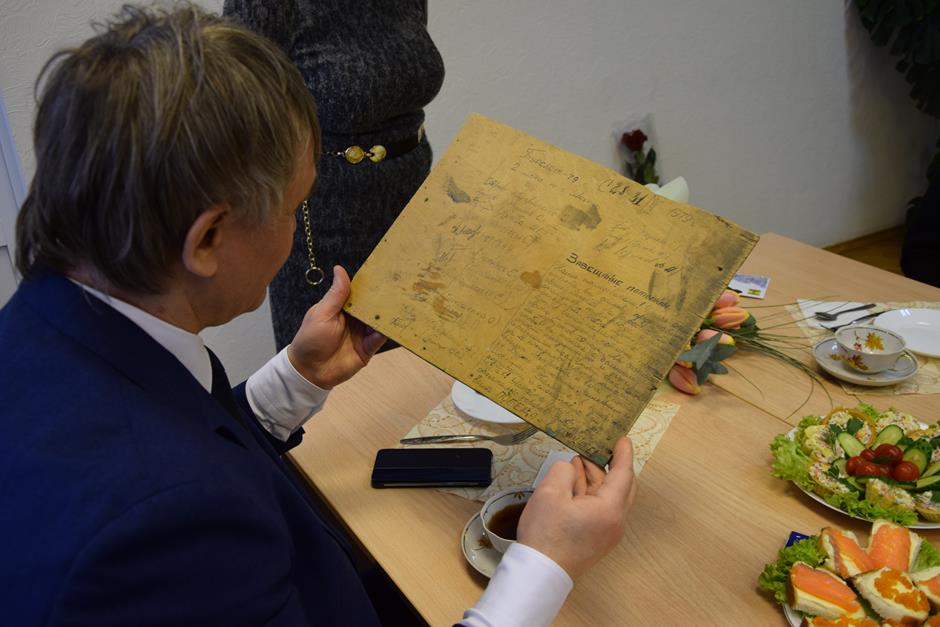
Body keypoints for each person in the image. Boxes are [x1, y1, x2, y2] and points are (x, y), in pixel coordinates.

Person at [0, 5, 637, 626]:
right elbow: (180, 485)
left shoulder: (43, 327)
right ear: (207, 239)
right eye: (292, 209)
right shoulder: (162, 527)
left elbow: (189, 434)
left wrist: (294, 380)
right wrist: (544, 563)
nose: (293, 231)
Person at [222, 0, 445, 352]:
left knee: (425, 365)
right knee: (336, 372)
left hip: (414, 210)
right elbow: (239, 114)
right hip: (322, 227)